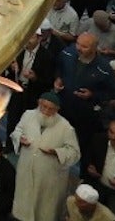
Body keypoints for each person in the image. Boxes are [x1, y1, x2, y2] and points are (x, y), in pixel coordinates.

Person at [11, 92, 82, 221]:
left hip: (50, 177)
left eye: (51, 109)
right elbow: (17, 131)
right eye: (44, 107)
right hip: (27, 169)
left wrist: (56, 152)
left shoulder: (65, 127)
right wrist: (20, 139)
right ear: (39, 103)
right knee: (24, 207)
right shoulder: (28, 115)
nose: (46, 111)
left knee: (44, 211)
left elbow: (74, 152)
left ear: (57, 110)